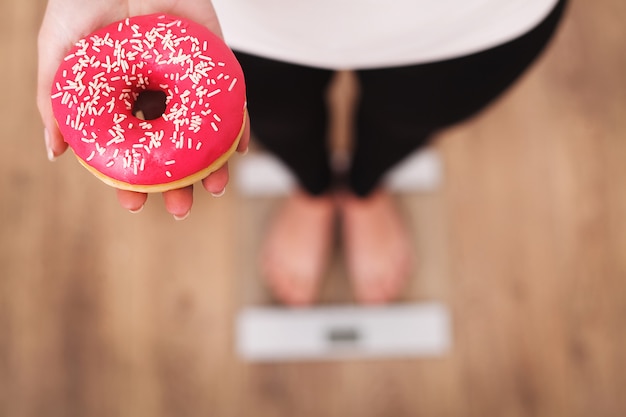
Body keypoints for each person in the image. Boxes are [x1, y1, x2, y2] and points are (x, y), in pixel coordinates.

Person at [37, 0, 567, 305]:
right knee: (275, 123)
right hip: (234, 14)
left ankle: (365, 187)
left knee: (408, 121)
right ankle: (312, 189)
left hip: (468, 17)